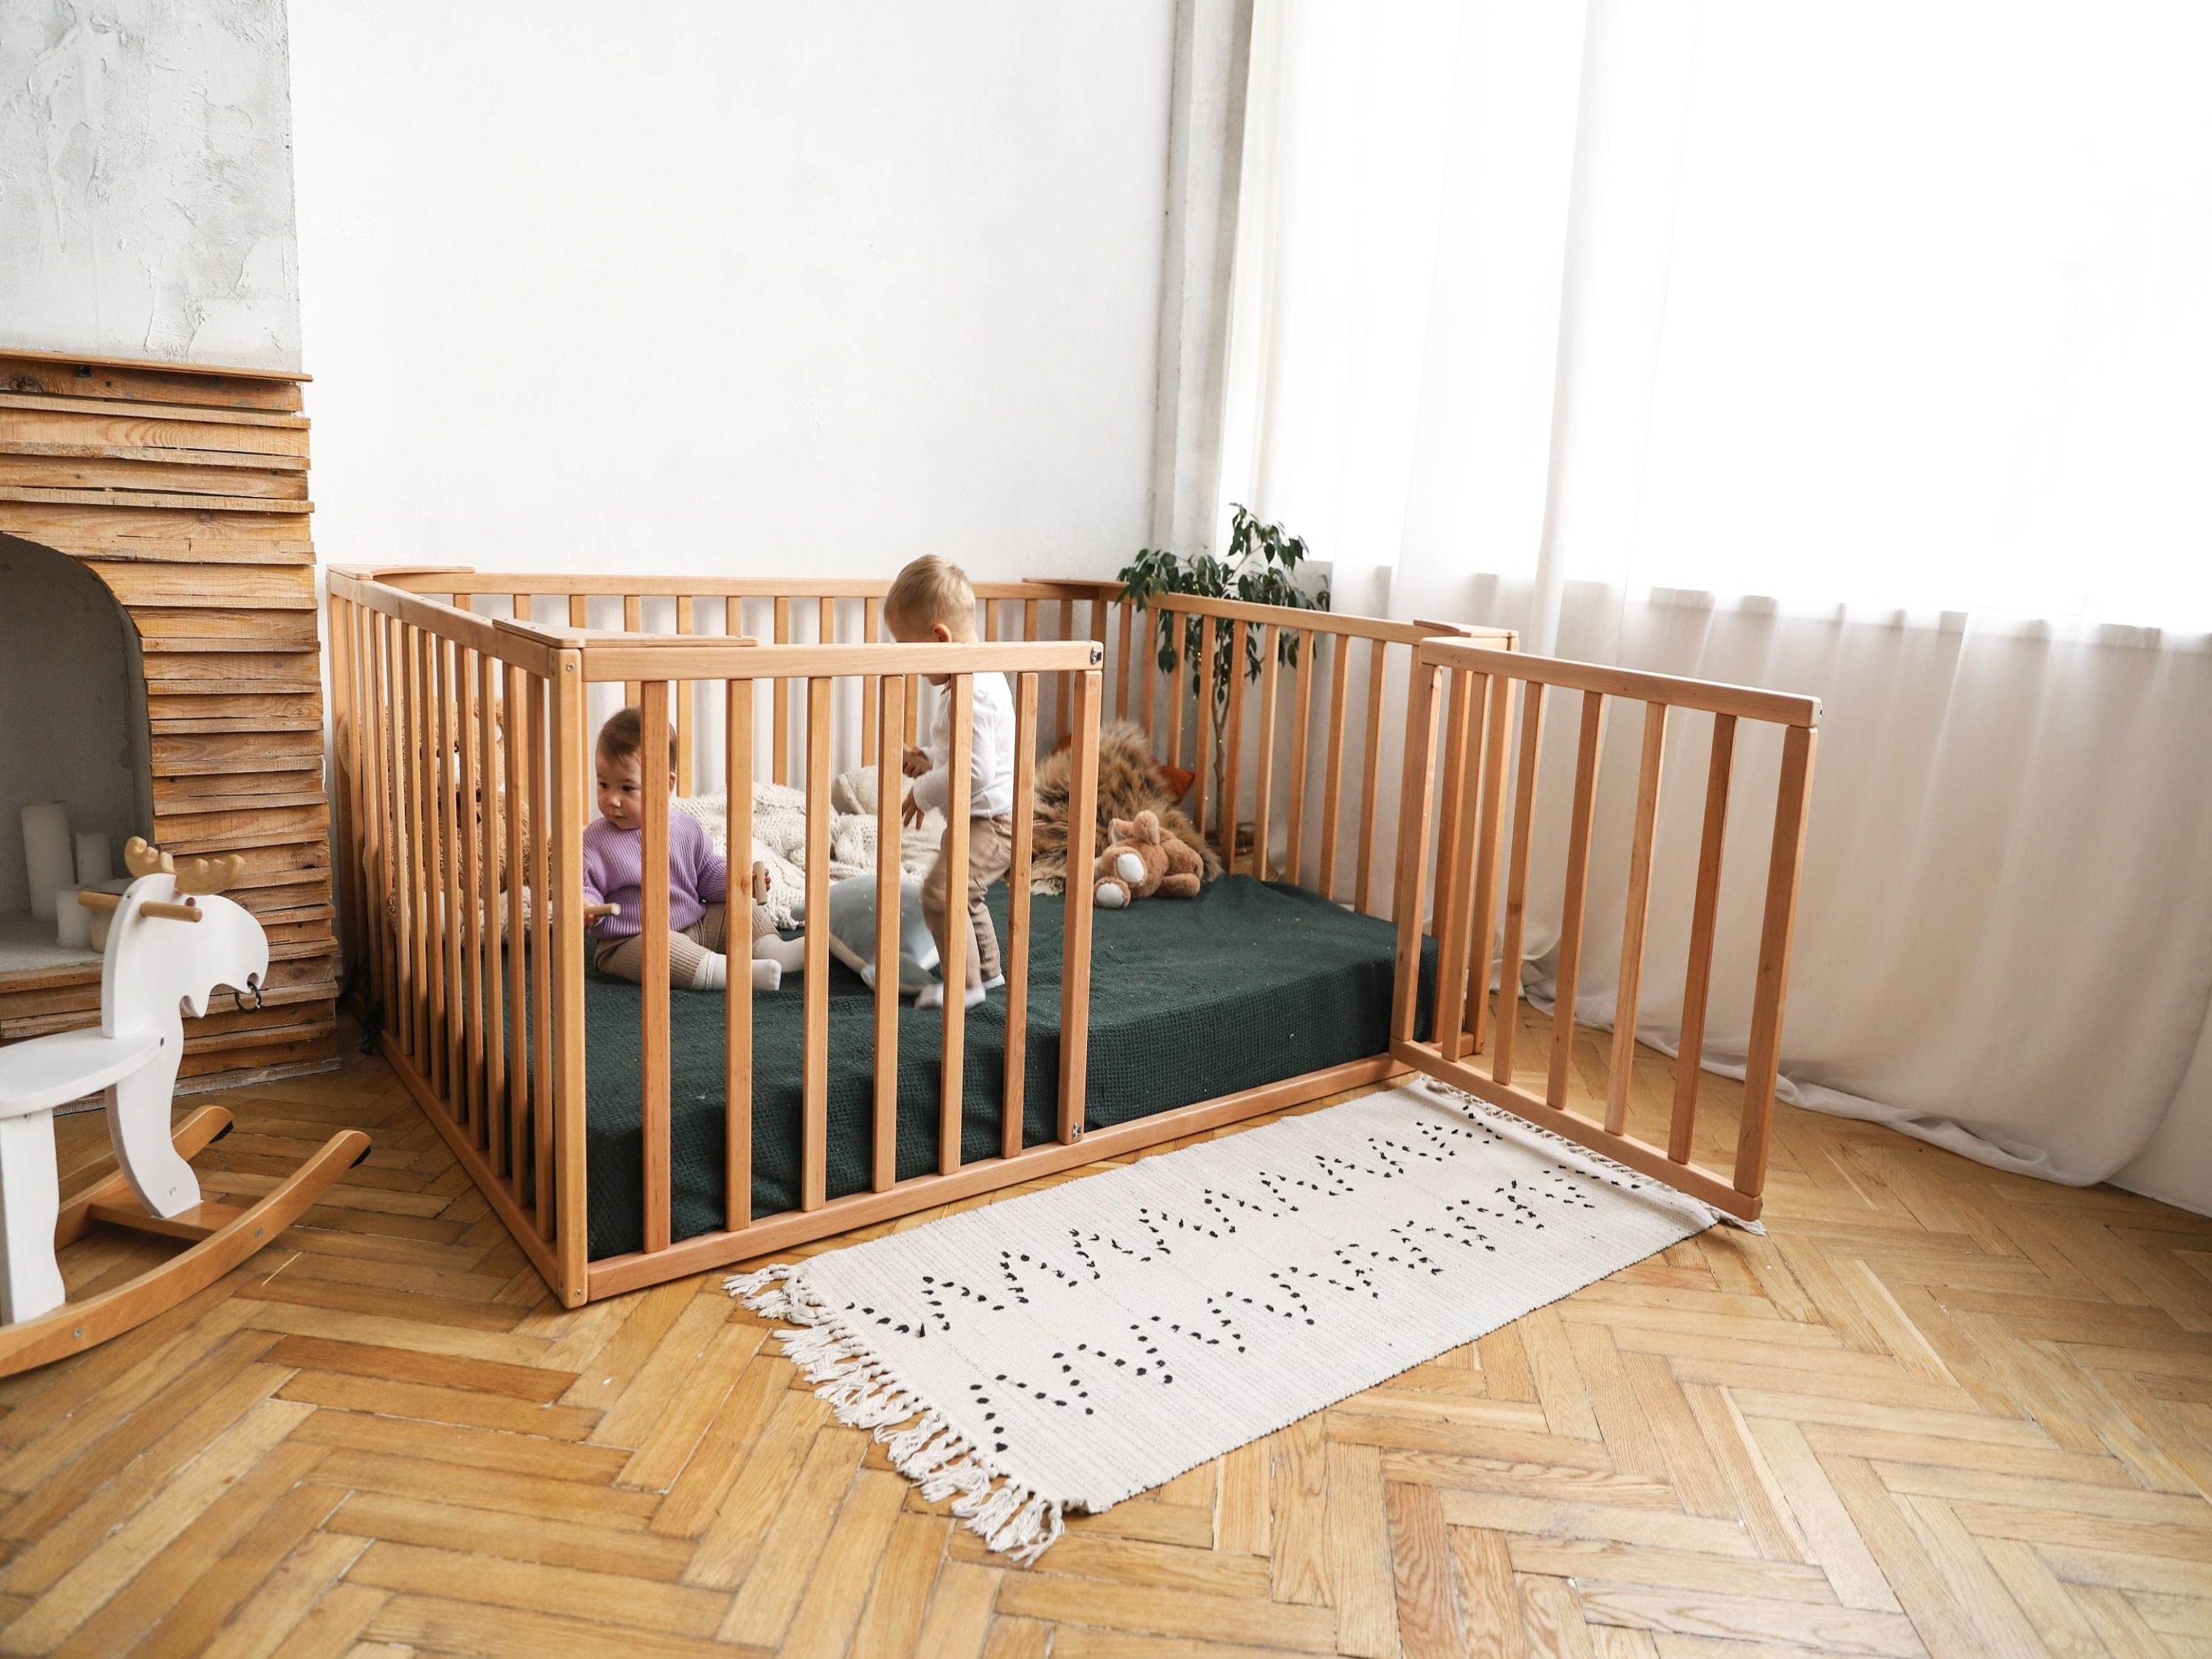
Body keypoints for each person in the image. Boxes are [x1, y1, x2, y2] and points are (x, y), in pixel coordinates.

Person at [582, 707, 806, 991]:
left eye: (627, 789)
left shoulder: (686, 828)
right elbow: (585, 884)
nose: (612, 799)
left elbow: (706, 874)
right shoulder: (596, 839)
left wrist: (739, 882)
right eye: (603, 784)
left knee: (735, 909)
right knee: (660, 948)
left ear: (666, 784)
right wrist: (587, 905)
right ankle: (730, 974)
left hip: (694, 925)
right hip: (629, 940)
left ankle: (774, 950)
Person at [883, 555, 1016, 1009]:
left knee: (941, 895)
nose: (916, 668)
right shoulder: (971, 678)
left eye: (912, 653)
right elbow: (964, 753)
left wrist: (921, 792)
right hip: (982, 816)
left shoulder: (973, 692)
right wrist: (929, 758)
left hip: (993, 824)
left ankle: (966, 985)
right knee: (966, 895)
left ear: (940, 638)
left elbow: (974, 771)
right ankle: (989, 976)